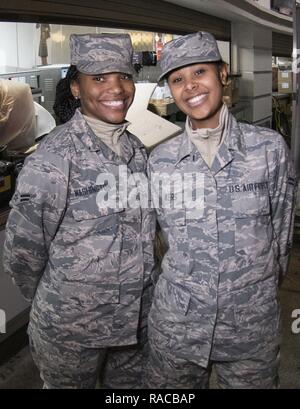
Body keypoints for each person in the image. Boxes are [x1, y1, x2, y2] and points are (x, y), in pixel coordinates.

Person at [3, 33, 156, 389]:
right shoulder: (53, 160)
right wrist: (66, 301)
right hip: (73, 330)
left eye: (123, 76)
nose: (115, 88)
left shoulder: (137, 152)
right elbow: (23, 256)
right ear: (76, 88)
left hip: (135, 322)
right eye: (99, 78)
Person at [146, 31, 296, 389]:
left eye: (200, 72)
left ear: (223, 74)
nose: (190, 86)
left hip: (249, 329)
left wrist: (252, 290)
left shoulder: (268, 150)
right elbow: (152, 244)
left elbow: (282, 235)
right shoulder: (161, 161)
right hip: (177, 329)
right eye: (177, 79)